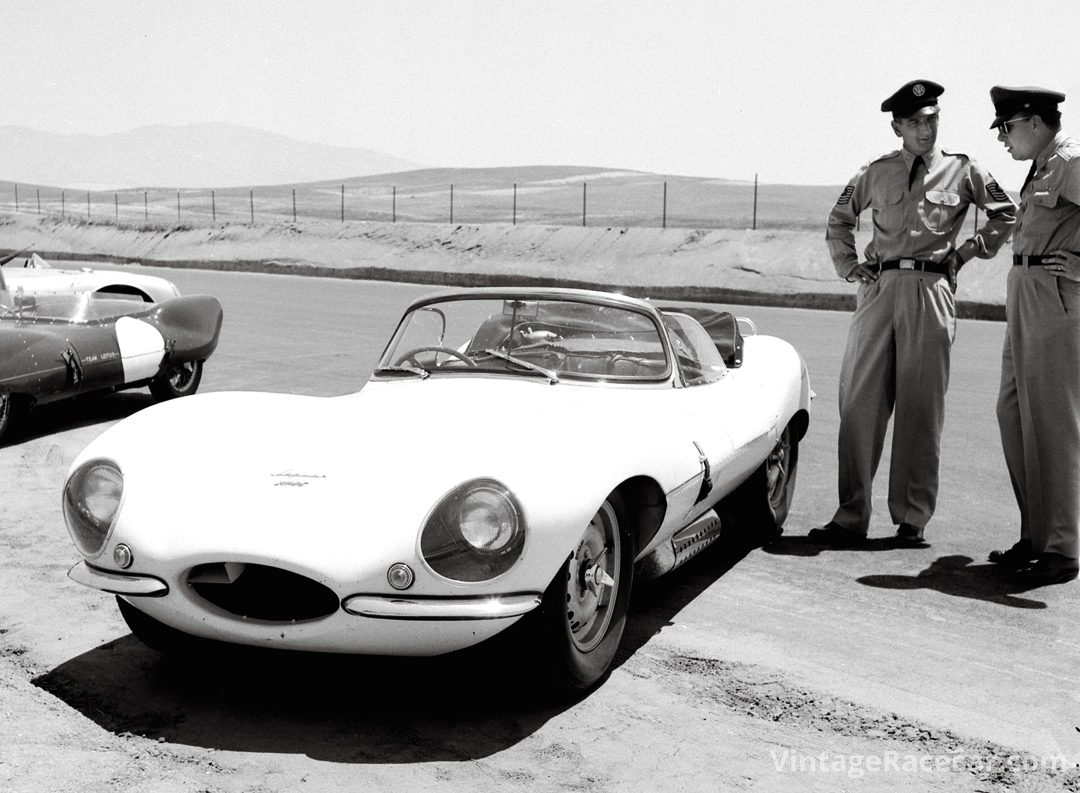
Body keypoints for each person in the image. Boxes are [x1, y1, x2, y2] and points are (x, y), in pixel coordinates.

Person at [810, 79, 1018, 548]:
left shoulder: (963, 170)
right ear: (898, 126)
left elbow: (1007, 212)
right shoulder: (874, 172)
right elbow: (838, 220)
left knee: (922, 410)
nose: (928, 129)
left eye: (934, 119)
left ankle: (912, 518)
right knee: (859, 405)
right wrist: (850, 267)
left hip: (931, 292)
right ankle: (850, 515)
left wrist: (967, 252)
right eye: (918, 122)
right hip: (879, 290)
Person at [987, 86, 1080, 585]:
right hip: (1027, 295)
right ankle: (1037, 535)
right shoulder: (1044, 166)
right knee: (1013, 413)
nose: (1002, 138)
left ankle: (1062, 549)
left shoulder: (1070, 161)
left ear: (1035, 121)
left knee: (1053, 425)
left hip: (1054, 298)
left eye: (1006, 127)